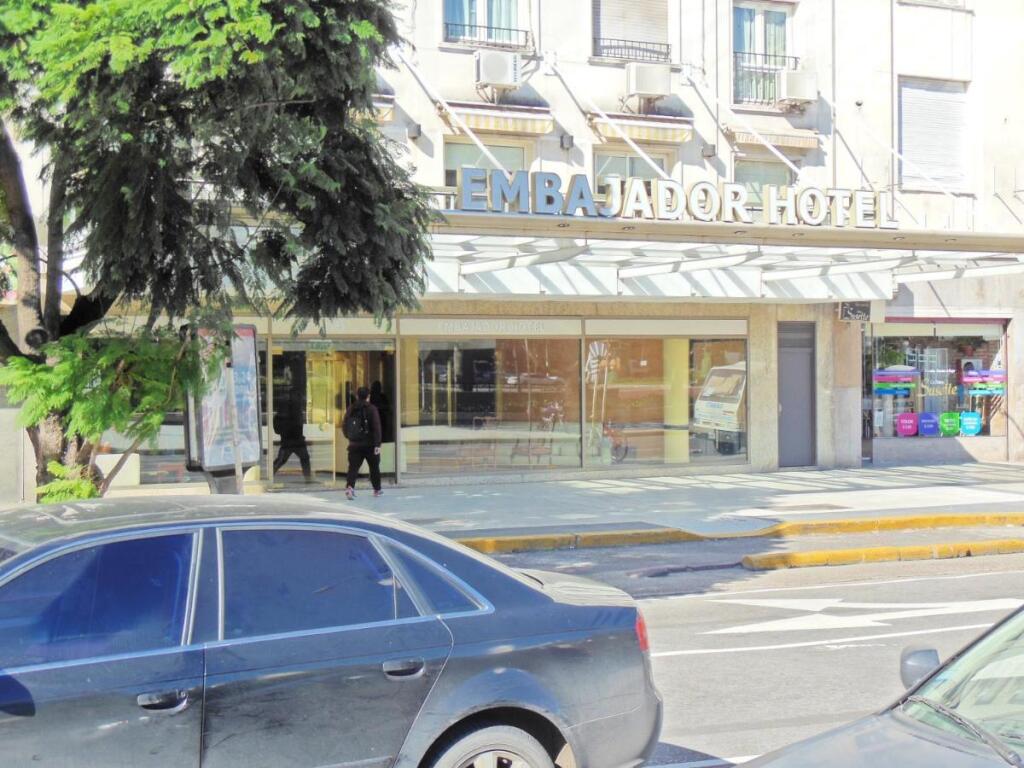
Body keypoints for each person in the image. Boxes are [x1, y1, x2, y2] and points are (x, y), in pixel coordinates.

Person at [343, 385, 383, 498]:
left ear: (357, 396)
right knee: (374, 467)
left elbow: (345, 425)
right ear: (368, 396)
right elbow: (376, 427)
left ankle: (350, 488)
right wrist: (377, 444)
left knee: (353, 468)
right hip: (370, 444)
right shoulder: (372, 409)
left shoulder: (351, 408)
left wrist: (349, 437)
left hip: (354, 444)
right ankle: (377, 490)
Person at [272, 401, 312, 481]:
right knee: (304, 459)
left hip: (288, 442)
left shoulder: (279, 416)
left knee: (280, 460)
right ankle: (308, 478)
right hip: (296, 442)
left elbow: (277, 430)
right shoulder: (295, 413)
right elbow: (299, 426)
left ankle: (270, 474)